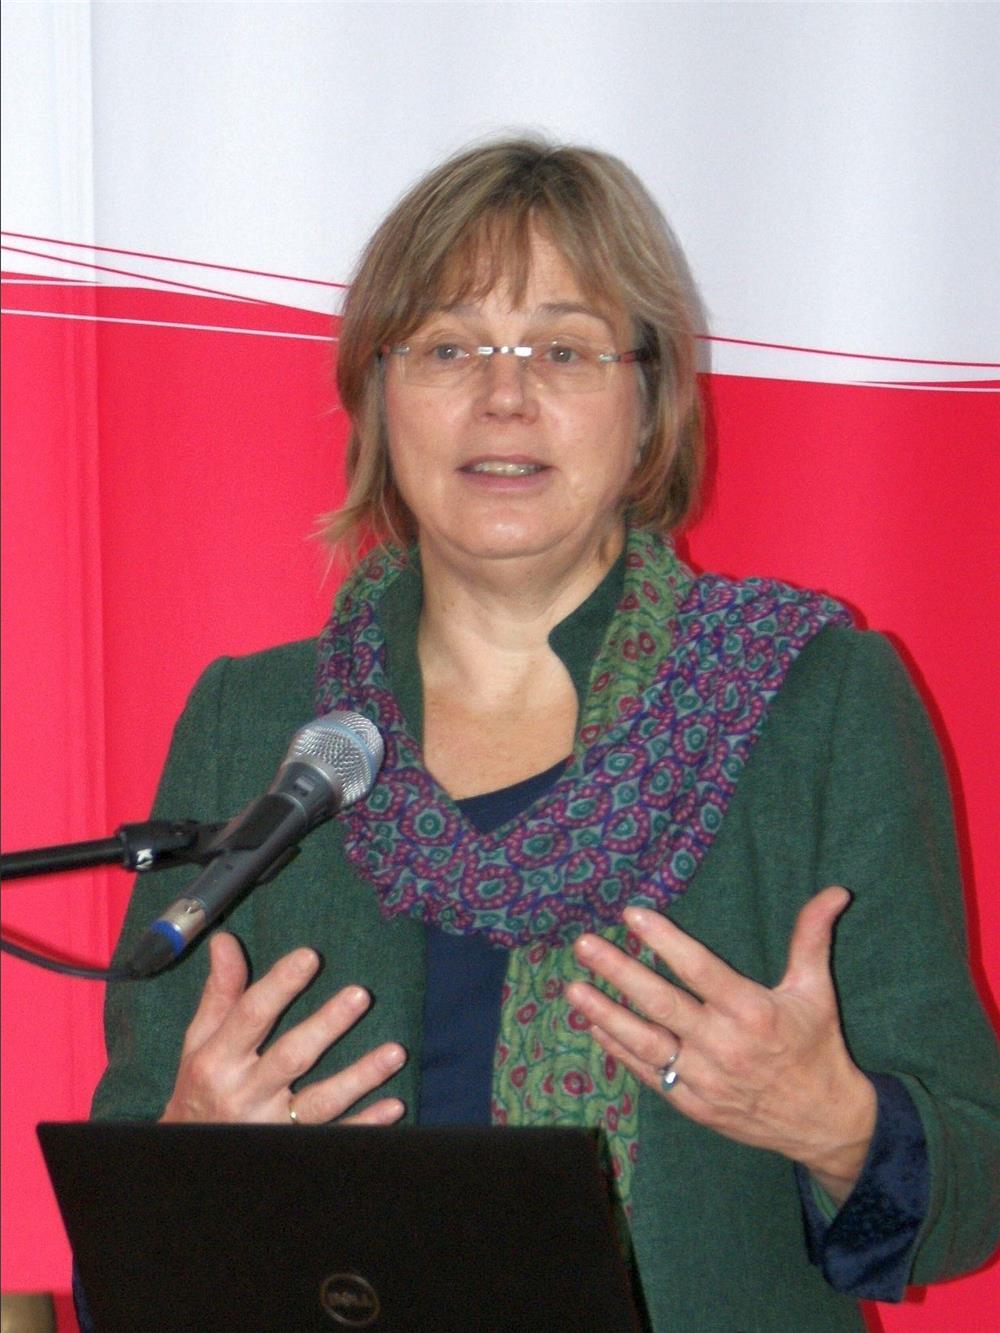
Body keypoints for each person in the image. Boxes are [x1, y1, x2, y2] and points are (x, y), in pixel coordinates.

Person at [91, 139, 999, 1331]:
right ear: (377, 399)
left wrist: (829, 1121)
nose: (503, 397)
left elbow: (972, 1185)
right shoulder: (261, 725)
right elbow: (123, 1236)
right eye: (447, 348)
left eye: (563, 350)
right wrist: (189, 1159)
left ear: (647, 405)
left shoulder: (811, 699)